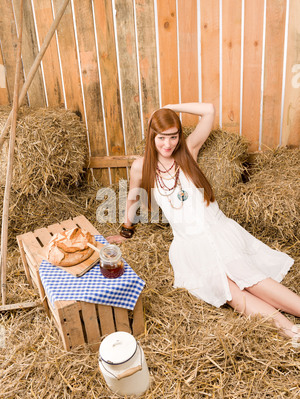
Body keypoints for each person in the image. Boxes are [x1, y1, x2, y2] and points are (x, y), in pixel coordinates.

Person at [106, 102, 300, 342]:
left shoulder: (188, 150)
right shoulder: (141, 167)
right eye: (161, 138)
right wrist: (126, 231)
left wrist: (168, 106)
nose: (168, 144)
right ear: (151, 136)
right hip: (190, 243)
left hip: (218, 229)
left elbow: (208, 110)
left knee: (248, 277)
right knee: (230, 291)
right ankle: (292, 333)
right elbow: (133, 197)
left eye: (173, 137)